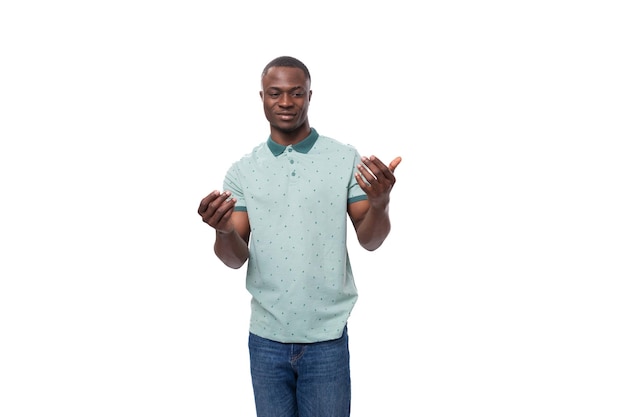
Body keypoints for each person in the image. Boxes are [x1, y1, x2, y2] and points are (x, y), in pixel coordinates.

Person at [197, 56, 401, 417]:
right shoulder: (243, 171)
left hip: (327, 338)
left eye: (296, 93)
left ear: (310, 96)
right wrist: (223, 230)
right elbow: (233, 258)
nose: (286, 102)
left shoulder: (344, 159)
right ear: (262, 97)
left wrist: (380, 203)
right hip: (266, 339)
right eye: (276, 93)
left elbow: (370, 240)